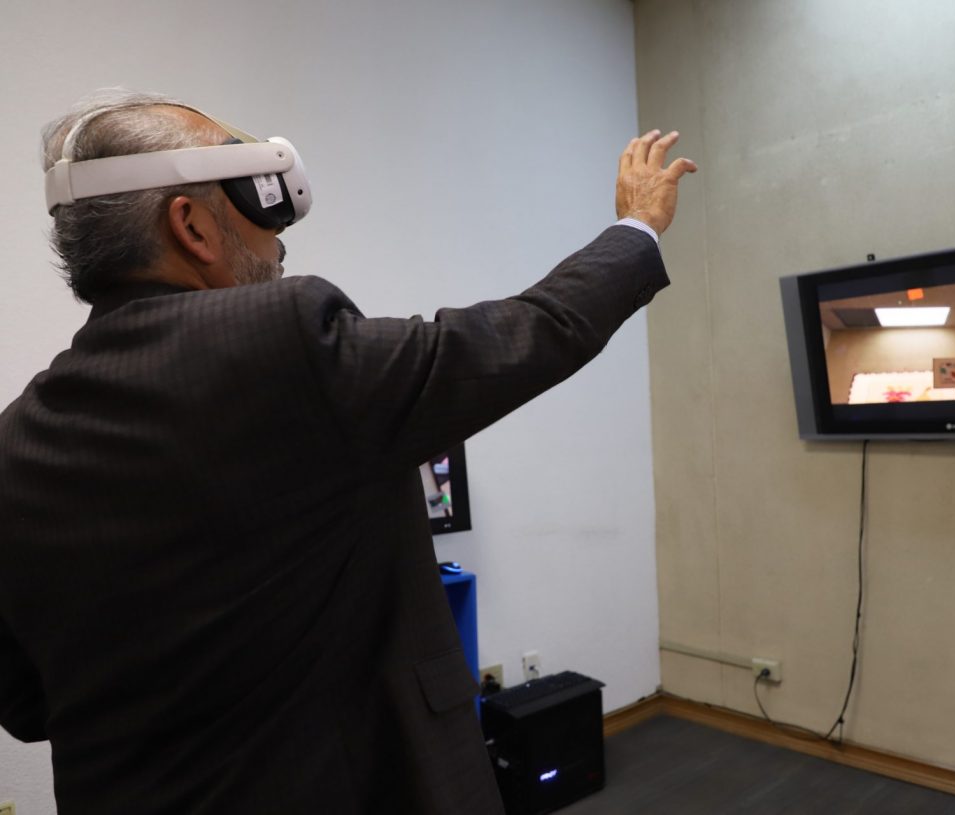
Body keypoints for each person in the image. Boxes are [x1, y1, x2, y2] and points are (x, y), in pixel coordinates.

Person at [0, 90, 696, 814]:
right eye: (253, 202)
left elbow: (25, 705)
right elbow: (532, 331)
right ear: (192, 225)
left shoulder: (15, 443)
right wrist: (638, 226)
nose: (278, 245)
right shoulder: (279, 344)